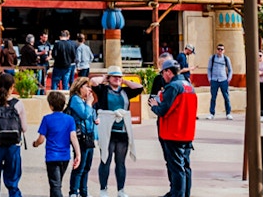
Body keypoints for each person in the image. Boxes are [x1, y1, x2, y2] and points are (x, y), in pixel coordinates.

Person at [149, 58, 197, 197]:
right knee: (185, 166)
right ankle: (184, 193)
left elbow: (163, 110)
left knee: (176, 168)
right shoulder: (189, 86)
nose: (162, 76)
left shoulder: (173, 87)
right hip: (187, 132)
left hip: (173, 132)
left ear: (168, 72)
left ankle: (178, 194)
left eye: (163, 73)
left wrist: (155, 105)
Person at [92, 66, 142, 197]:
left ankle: (121, 190)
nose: (117, 79)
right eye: (114, 76)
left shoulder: (125, 91)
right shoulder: (103, 90)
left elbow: (139, 87)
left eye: (119, 77)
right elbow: (93, 82)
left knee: (120, 162)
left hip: (122, 132)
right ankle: (103, 189)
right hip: (108, 130)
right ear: (109, 78)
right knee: (105, 161)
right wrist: (105, 77)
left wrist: (124, 81)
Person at [34, 91, 81, 197]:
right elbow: (73, 137)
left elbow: (41, 139)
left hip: (52, 156)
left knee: (55, 185)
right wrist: (78, 154)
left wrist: (35, 144)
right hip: (65, 157)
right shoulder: (69, 119)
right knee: (56, 183)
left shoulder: (47, 119)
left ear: (50, 106)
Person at [66, 78, 98, 197]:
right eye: (87, 87)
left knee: (87, 167)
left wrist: (95, 118)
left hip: (89, 136)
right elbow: (84, 114)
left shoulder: (85, 100)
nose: (90, 89)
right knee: (79, 166)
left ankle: (84, 191)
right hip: (80, 137)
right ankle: (74, 191)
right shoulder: (75, 99)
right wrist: (89, 103)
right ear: (80, 88)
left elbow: (91, 115)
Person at [206, 44, 233, 119]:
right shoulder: (212, 58)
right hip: (214, 80)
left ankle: (228, 113)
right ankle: (212, 113)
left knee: (226, 97)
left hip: (223, 80)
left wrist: (228, 79)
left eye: (221, 49)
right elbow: (209, 68)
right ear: (216, 50)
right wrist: (209, 78)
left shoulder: (226, 59)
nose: (220, 51)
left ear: (224, 51)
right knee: (213, 97)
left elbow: (230, 70)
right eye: (218, 49)